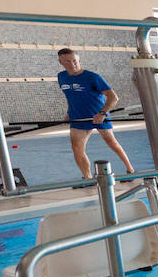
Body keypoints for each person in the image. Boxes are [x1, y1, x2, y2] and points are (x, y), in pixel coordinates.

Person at [55, 48, 135, 179]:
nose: (72, 64)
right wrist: (69, 112)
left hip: (99, 116)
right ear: (61, 62)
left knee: (112, 143)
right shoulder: (61, 77)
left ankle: (130, 170)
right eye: (67, 61)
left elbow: (113, 97)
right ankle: (87, 178)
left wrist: (102, 113)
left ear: (79, 60)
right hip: (78, 117)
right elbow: (71, 96)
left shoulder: (93, 77)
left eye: (74, 60)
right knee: (77, 148)